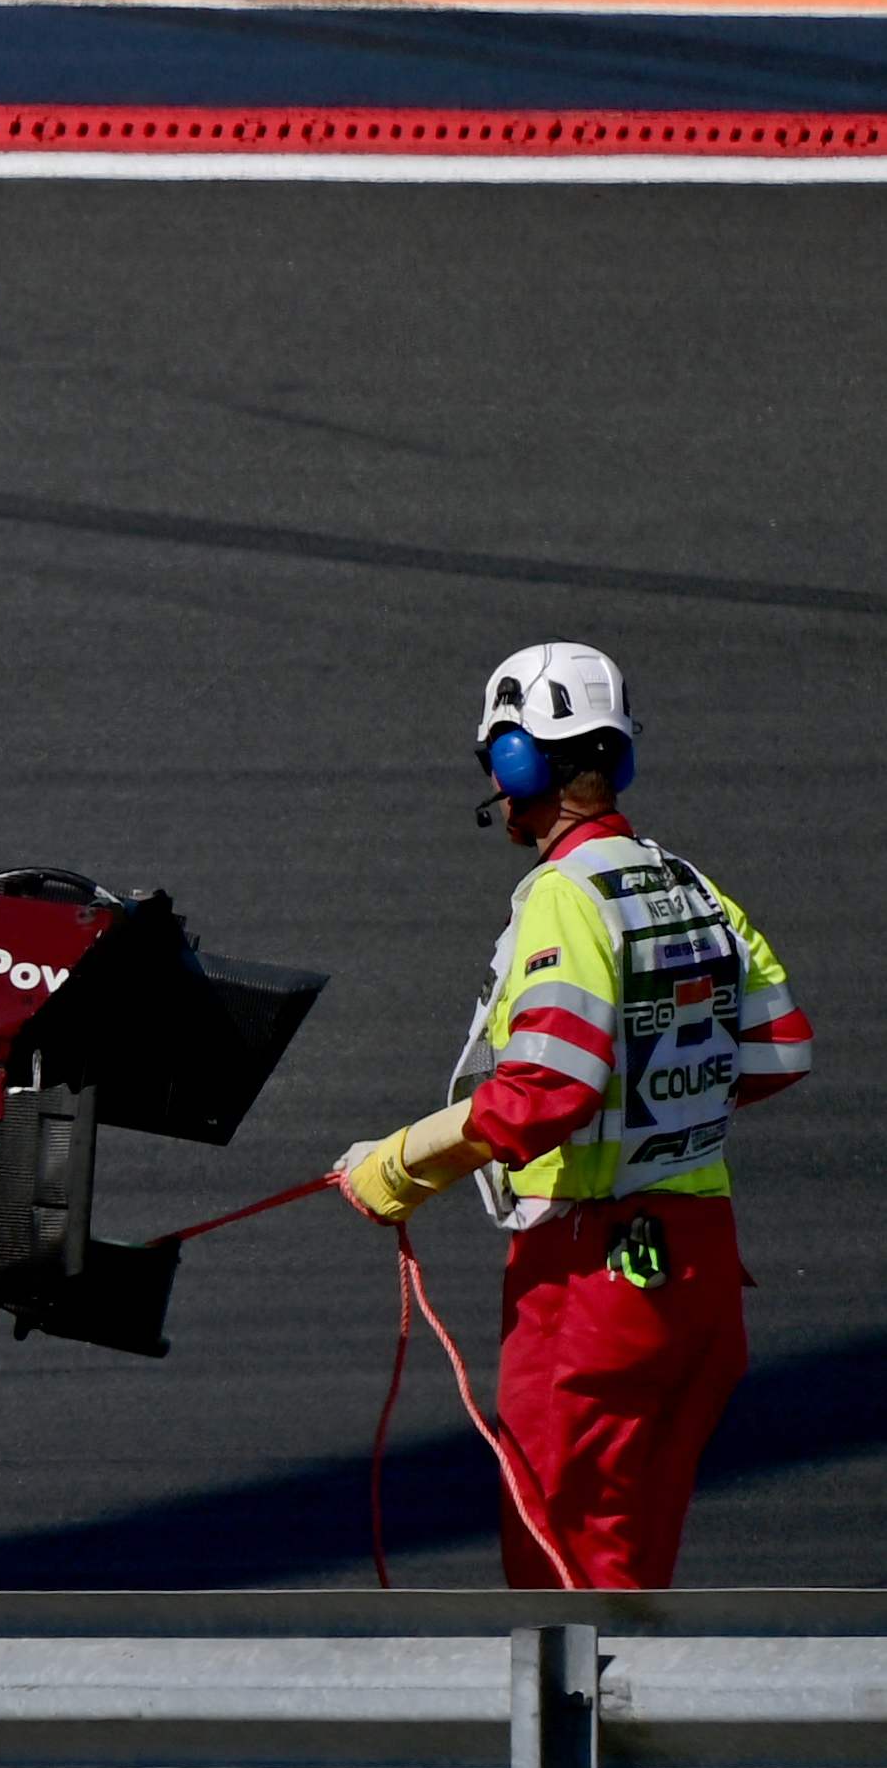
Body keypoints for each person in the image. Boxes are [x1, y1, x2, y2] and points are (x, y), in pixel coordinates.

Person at [332, 643, 812, 1588]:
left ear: (521, 761)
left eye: (496, 761)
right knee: (633, 1564)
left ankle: (570, 1741)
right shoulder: (688, 885)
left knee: (560, 1579)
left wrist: (395, 1166)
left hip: (593, 1284)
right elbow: (780, 1049)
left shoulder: (567, 896)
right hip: (702, 1276)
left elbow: (545, 1094)